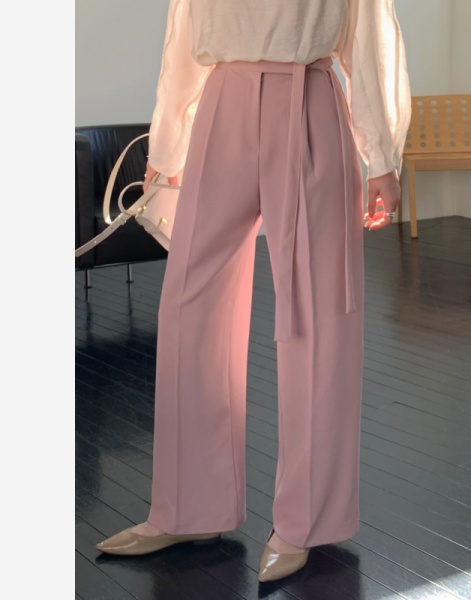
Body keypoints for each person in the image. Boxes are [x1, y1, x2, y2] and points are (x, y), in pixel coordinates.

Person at [95, 0, 411, 583]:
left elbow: (369, 34)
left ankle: (306, 521)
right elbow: (184, 38)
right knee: (191, 307)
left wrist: (383, 157)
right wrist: (167, 149)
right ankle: (187, 507)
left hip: (311, 99)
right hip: (223, 99)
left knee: (318, 314)